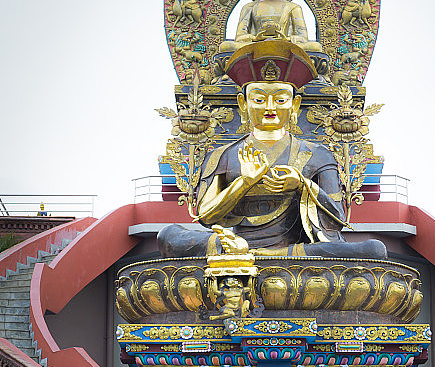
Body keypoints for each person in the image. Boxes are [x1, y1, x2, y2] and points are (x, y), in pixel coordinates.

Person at [157, 38, 386, 260]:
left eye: (280, 99)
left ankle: (266, 255)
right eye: (258, 99)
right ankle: (238, 249)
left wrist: (301, 185)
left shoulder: (317, 154)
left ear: (294, 104)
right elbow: (205, 215)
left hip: (293, 250)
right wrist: (243, 183)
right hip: (233, 242)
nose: (269, 107)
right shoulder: (223, 155)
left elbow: (336, 218)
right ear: (242, 103)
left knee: (374, 250)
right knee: (168, 236)